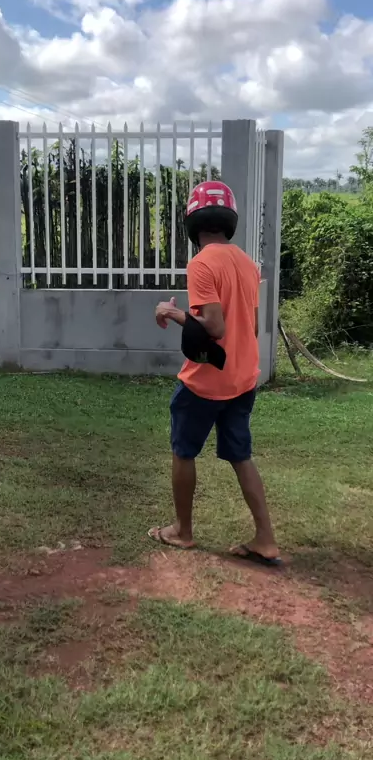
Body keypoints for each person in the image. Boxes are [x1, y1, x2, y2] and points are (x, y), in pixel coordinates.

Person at [150, 180, 281, 568]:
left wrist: (171, 312)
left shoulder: (202, 263)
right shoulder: (247, 264)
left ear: (193, 223)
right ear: (229, 221)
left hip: (206, 383)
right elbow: (250, 327)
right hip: (243, 379)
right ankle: (265, 539)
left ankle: (182, 531)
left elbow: (215, 326)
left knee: (183, 451)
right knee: (241, 456)